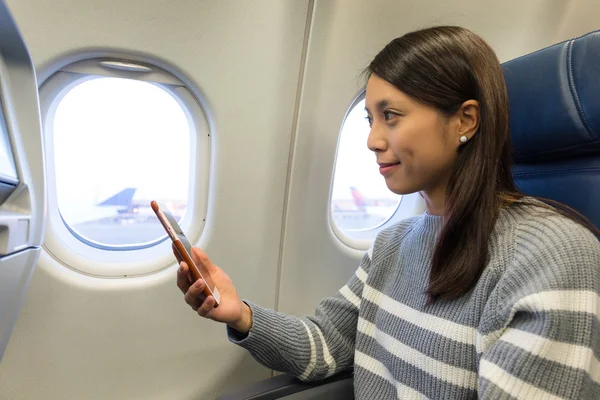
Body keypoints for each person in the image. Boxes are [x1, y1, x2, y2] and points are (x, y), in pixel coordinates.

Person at [175, 26, 600, 399]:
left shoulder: (554, 255)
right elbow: (327, 346)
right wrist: (239, 313)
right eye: (369, 120)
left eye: (391, 116)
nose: (373, 140)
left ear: (464, 121)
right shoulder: (395, 242)